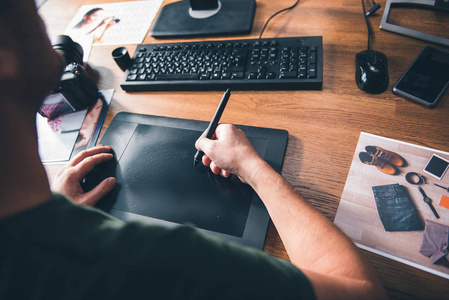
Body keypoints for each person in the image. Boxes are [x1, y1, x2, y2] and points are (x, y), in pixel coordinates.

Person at [0, 0, 387, 299]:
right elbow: (361, 292)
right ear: (6, 61)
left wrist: (56, 214)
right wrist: (252, 167)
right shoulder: (163, 261)